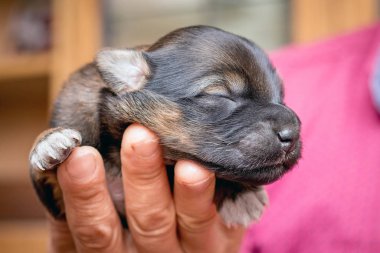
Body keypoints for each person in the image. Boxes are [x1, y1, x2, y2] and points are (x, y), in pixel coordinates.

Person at [46, 23, 380, 252]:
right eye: (221, 97)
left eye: (278, 97)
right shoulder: (297, 67)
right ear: (132, 79)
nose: (289, 127)